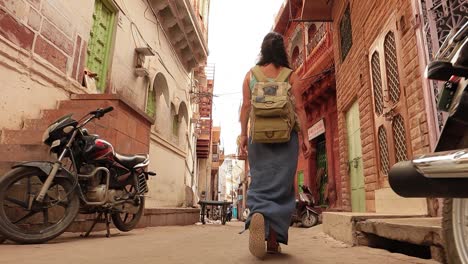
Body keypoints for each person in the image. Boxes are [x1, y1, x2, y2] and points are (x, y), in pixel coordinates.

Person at [239, 32, 312, 258]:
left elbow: (245, 108)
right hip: (285, 138)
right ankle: (272, 241)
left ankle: (258, 215)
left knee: (260, 182)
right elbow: (299, 109)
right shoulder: (291, 76)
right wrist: (306, 138)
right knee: (282, 188)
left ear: (263, 50)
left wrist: (243, 135)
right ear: (283, 51)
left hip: (258, 139)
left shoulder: (250, 75)